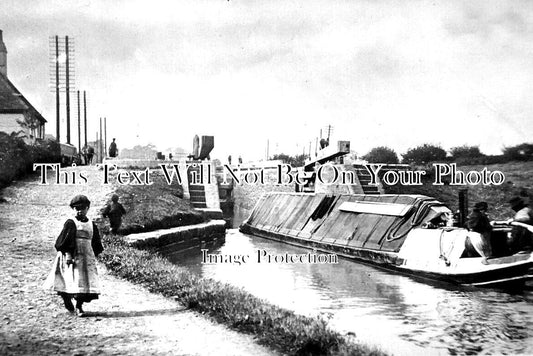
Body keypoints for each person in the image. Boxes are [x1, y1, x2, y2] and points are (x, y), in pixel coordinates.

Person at [43, 195, 103, 316]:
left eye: (83, 208)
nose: (80, 211)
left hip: (86, 257)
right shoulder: (71, 223)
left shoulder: (92, 224)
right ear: (73, 209)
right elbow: (64, 241)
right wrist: (68, 254)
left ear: (88, 208)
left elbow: (95, 241)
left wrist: (94, 254)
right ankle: (66, 299)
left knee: (83, 281)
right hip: (71, 255)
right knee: (70, 278)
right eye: (77, 208)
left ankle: (79, 306)